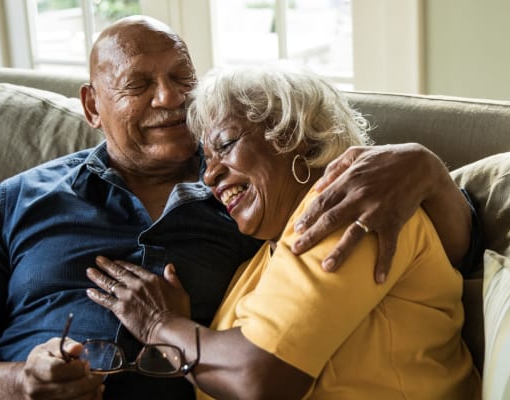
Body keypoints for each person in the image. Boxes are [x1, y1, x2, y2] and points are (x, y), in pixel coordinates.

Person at [0, 15, 476, 400]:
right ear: (92, 105)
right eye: (139, 84)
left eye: (180, 79)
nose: (168, 98)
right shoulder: (16, 204)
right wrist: (20, 381)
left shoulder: (260, 195)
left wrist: (427, 171)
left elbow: (448, 254)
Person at [85, 65, 481, 398]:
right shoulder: (253, 269)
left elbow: (259, 376)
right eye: (205, 159)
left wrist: (160, 324)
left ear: (292, 135)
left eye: (224, 145)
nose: (209, 175)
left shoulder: (351, 207)